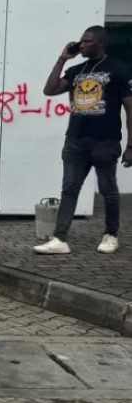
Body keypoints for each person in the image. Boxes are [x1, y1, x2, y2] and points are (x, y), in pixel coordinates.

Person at [34, 26, 132, 255]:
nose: (81, 44)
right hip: (76, 141)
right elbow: (49, 90)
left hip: (105, 141)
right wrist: (62, 59)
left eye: (87, 41)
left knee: (108, 189)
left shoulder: (118, 69)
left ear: (100, 43)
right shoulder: (76, 70)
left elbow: (130, 109)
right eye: (81, 41)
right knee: (69, 188)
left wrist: (131, 145)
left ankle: (111, 235)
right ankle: (60, 239)